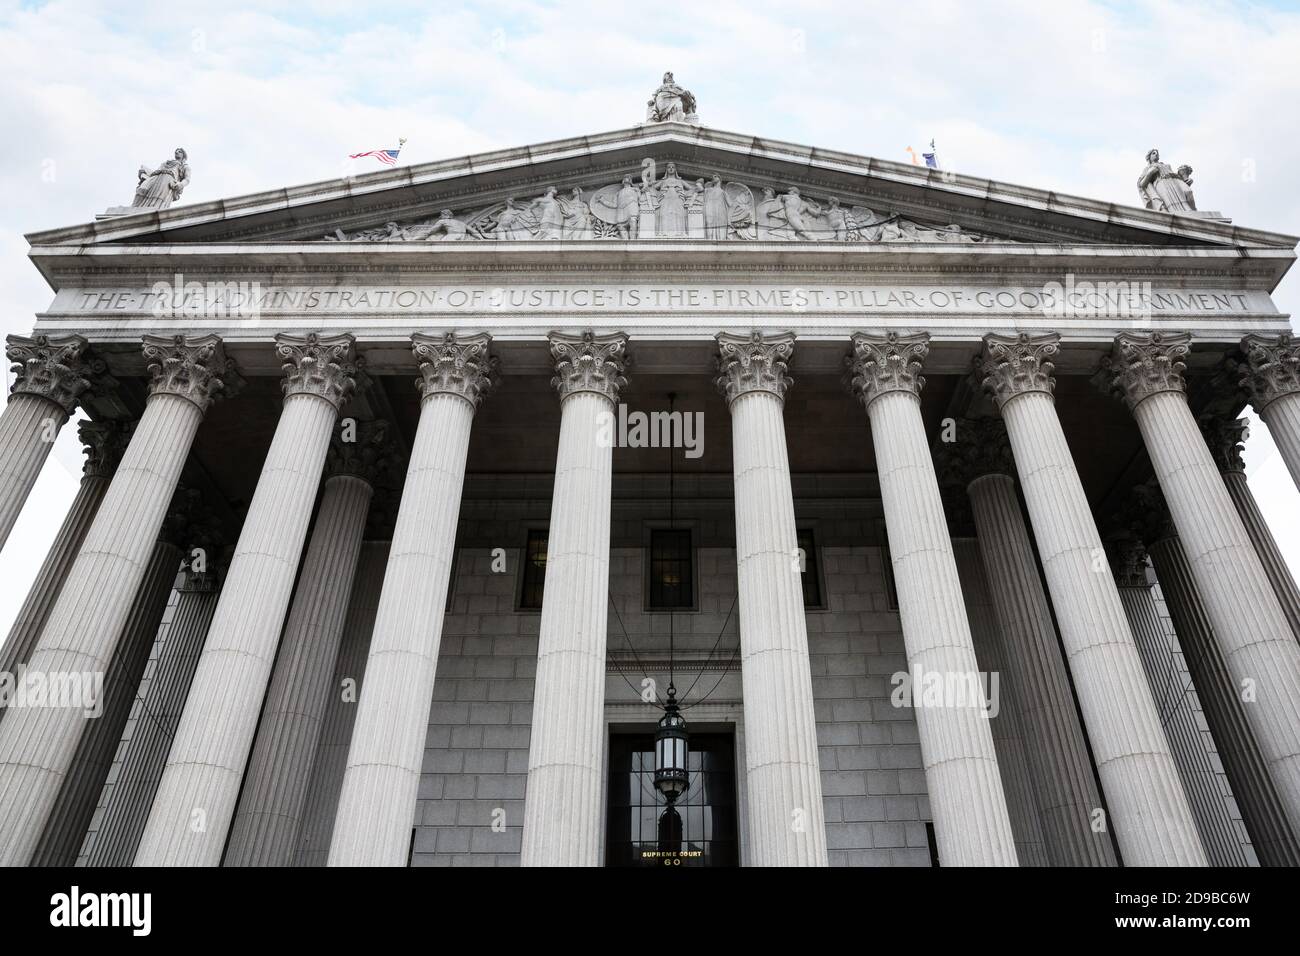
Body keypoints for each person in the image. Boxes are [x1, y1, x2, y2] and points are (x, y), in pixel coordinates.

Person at [1137, 149, 1197, 213]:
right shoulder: (1148, 168)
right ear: (1149, 157)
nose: (1156, 154)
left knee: (1188, 192)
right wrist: (1150, 173)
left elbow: (1175, 175)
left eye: (1157, 153)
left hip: (1174, 182)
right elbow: (1141, 184)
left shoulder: (1167, 165)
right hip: (1161, 184)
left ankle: (1191, 211)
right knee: (1170, 203)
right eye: (1153, 153)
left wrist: (1185, 178)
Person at [702, 175, 730, 240]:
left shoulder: (723, 192)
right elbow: (698, 189)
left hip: (720, 214)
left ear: (720, 179)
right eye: (712, 177)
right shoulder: (708, 190)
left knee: (720, 232)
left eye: (715, 176)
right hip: (710, 212)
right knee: (709, 230)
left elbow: (731, 205)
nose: (713, 177)